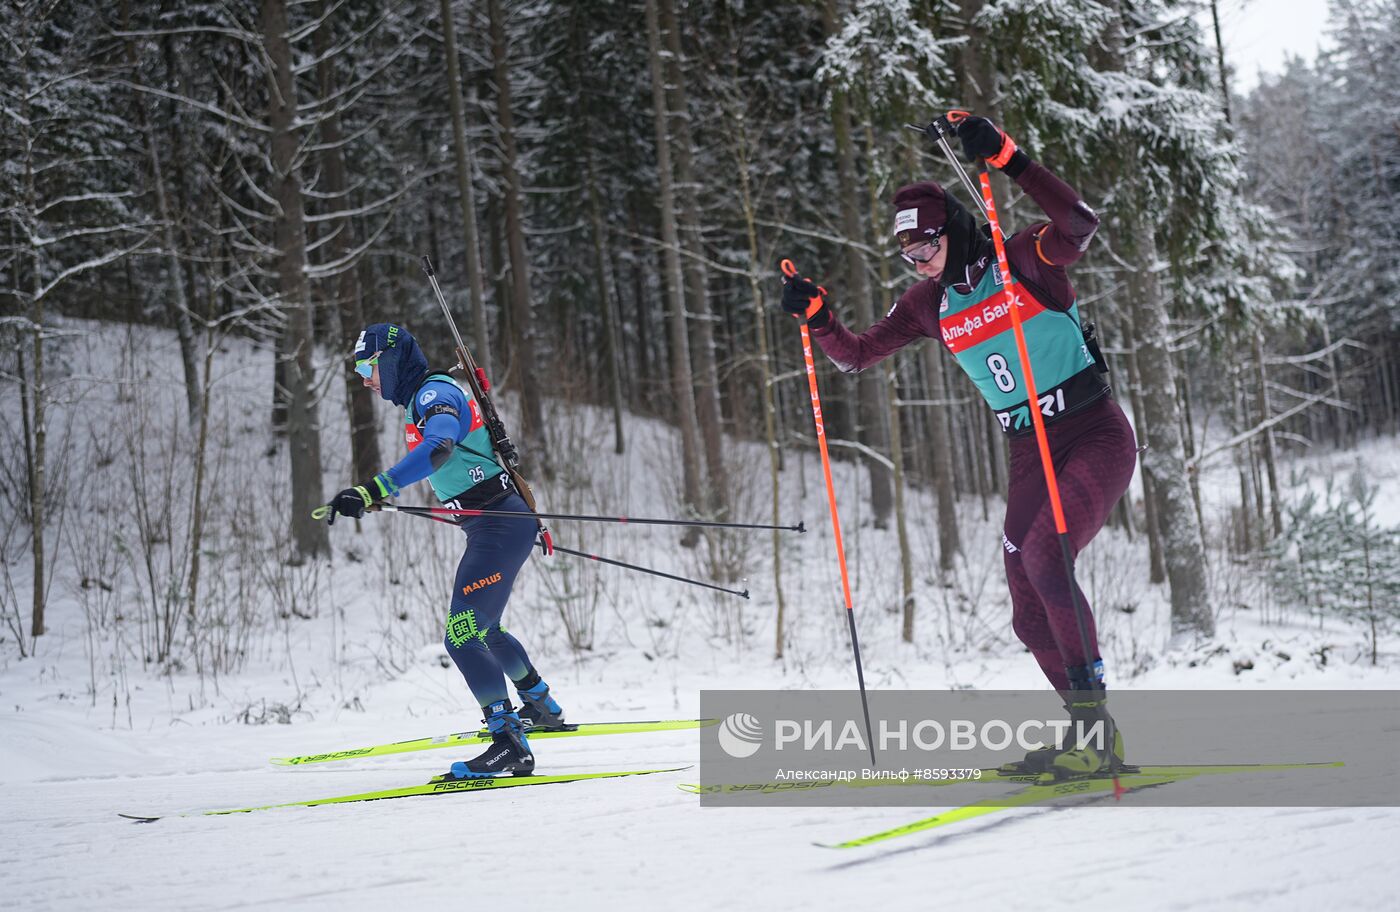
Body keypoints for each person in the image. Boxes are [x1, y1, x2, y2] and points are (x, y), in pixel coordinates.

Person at [781, 115, 1136, 779]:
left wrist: (1008, 157)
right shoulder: (927, 305)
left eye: (926, 247)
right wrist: (820, 318)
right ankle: (1086, 735)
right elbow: (857, 355)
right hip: (1029, 450)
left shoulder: (1022, 257)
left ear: (954, 230)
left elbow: (1079, 224)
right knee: (1029, 614)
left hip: (1092, 431)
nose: (917, 261)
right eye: (907, 254)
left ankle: (1096, 732)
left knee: (1047, 556)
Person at [326, 323, 566, 779]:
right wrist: (378, 496)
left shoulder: (434, 395)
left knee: (461, 633)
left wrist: (376, 485)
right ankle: (541, 706)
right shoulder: (424, 396)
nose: (364, 379)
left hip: (499, 524)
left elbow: (439, 445)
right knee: (485, 629)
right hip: (494, 524)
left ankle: (509, 742)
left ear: (391, 360)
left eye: (367, 367)